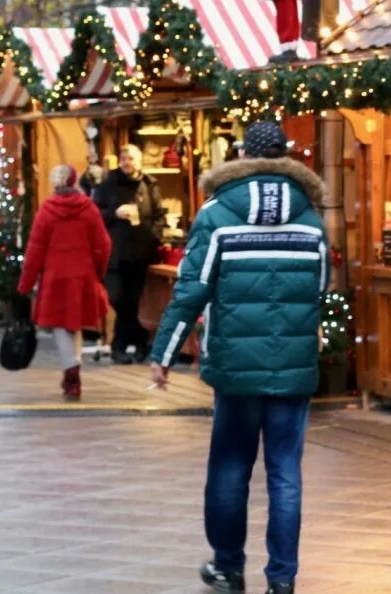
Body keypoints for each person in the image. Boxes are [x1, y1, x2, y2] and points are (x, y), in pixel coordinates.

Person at [149, 120, 328, 594]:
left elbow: (191, 290)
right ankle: (282, 580)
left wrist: (163, 352)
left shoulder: (217, 214)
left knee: (230, 467)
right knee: (286, 474)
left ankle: (229, 568)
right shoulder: (311, 218)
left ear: (243, 154)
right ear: (286, 156)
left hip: (235, 367)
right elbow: (321, 287)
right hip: (293, 368)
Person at [19, 165, 112, 400]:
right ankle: (73, 370)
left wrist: (25, 284)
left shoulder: (47, 211)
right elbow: (103, 244)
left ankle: (71, 374)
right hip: (82, 275)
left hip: (55, 277)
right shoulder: (88, 208)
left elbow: (35, 251)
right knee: (75, 324)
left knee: (61, 326)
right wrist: (98, 270)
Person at [93, 144, 162, 364]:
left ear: (139, 161)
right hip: (114, 253)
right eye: (123, 159)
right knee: (117, 299)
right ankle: (138, 339)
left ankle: (121, 346)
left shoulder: (149, 185)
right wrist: (114, 212)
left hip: (140, 252)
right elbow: (95, 213)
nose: (127, 162)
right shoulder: (108, 184)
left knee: (132, 300)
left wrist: (154, 235)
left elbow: (159, 215)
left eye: (130, 158)